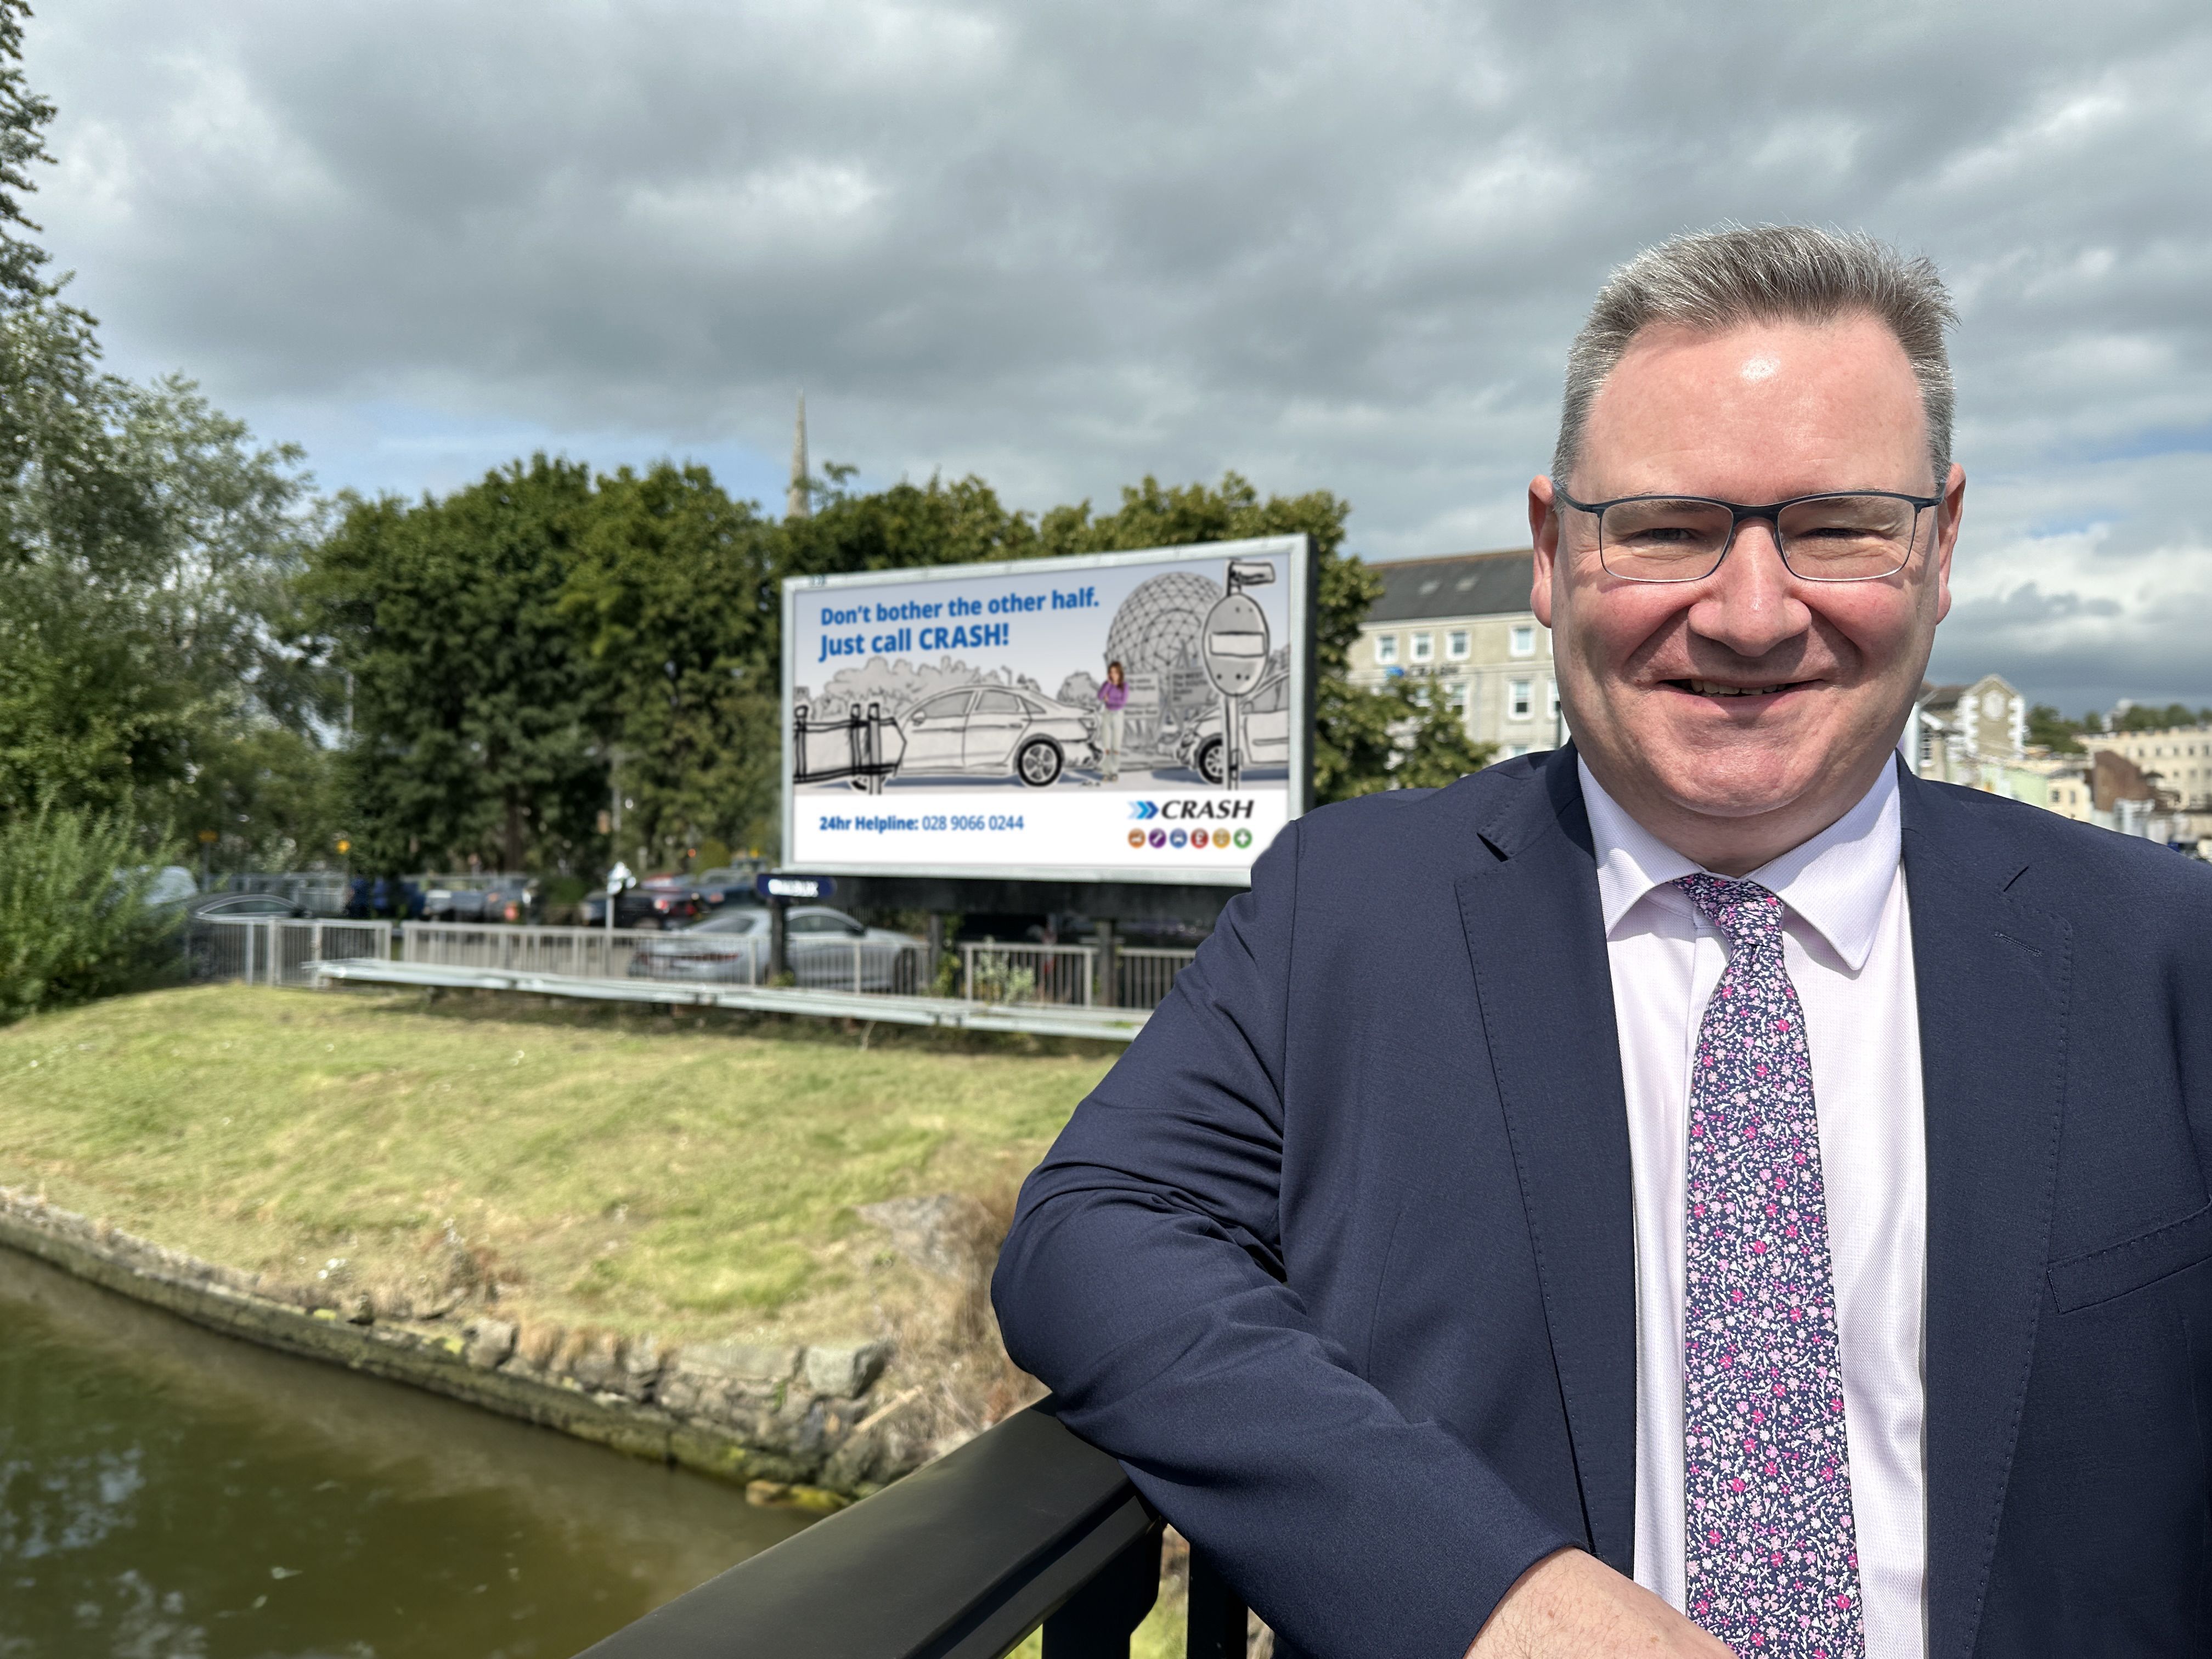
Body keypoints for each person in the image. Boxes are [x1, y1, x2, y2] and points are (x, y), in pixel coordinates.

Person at [994, 227, 2212, 1659]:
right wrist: (1489, 1593)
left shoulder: (2162, 951)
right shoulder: (1349, 910)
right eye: (1668, 528)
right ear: (1551, 552)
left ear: (1939, 550)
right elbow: (1091, 1239)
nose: (1752, 613)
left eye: (1836, 528)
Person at [1098, 659, 1129, 781]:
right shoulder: (1107, 684)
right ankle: (1106, 772)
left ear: (1120, 673)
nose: (1113, 674)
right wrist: (1108, 683)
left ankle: (1114, 772)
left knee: (1116, 746)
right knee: (1106, 746)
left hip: (1118, 716)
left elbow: (1123, 702)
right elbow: (1100, 696)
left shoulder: (1125, 686)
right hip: (1107, 715)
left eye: (1115, 672)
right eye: (1111, 672)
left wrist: (1109, 700)